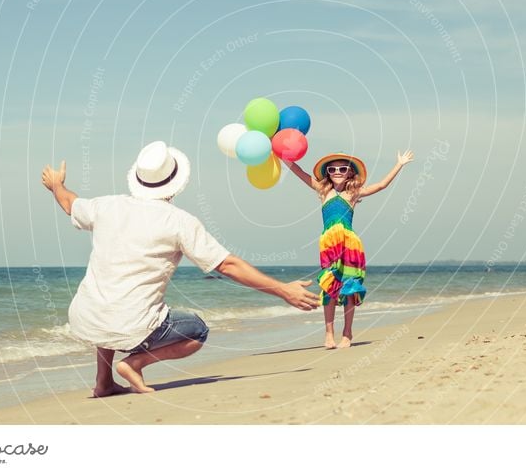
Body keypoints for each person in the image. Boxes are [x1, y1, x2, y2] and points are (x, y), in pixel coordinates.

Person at [41, 141, 318, 397]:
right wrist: (283, 290)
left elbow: (69, 202)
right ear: (173, 185)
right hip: (131, 325)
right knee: (197, 330)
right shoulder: (179, 221)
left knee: (112, 295)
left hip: (85, 317)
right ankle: (135, 363)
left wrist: (56, 185)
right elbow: (227, 264)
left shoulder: (107, 205)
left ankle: (103, 382)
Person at [283, 150, 414, 349]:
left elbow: (381, 185)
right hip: (329, 245)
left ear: (350, 172)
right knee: (329, 288)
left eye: (342, 168)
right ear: (327, 172)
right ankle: (329, 334)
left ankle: (347, 333)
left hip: (350, 245)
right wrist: (284, 156)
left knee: (350, 288)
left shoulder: (353, 193)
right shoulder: (322, 190)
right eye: (332, 169)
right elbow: (298, 170)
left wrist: (400, 164)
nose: (337, 172)